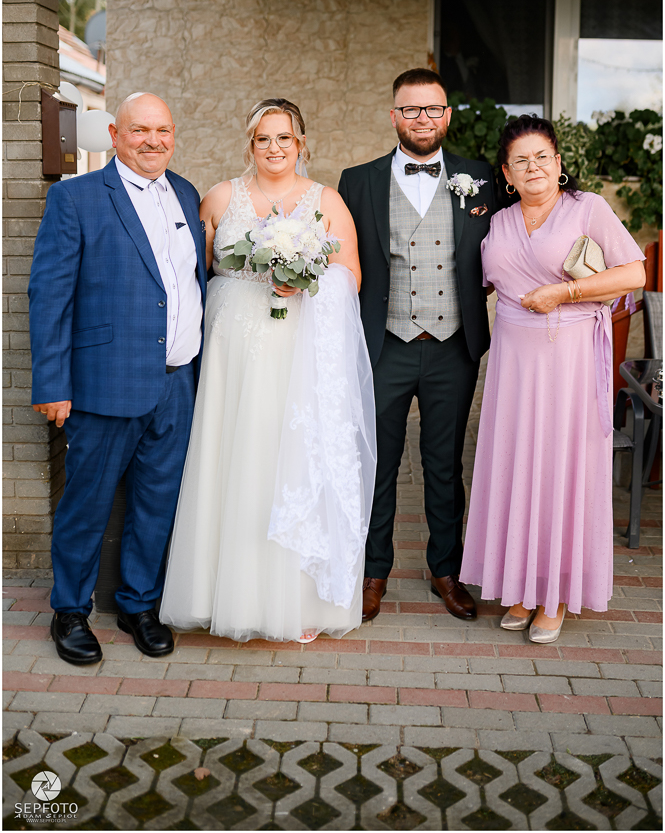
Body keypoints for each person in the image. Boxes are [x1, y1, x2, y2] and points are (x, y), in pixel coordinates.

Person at [160, 98, 375, 643]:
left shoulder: (326, 200)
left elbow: (351, 274)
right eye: (263, 139)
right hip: (232, 352)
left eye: (284, 138)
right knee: (232, 457)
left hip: (297, 350)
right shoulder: (219, 197)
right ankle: (221, 594)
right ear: (250, 144)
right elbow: (194, 270)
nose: (274, 148)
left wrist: (304, 278)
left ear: (300, 144)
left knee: (289, 460)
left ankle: (294, 600)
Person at [28, 93, 207, 665]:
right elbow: (49, 295)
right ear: (114, 134)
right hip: (104, 383)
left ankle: (139, 605)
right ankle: (70, 610)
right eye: (139, 130)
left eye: (163, 130)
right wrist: (52, 384)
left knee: (158, 501)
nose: (153, 141)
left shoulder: (186, 193)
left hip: (177, 382)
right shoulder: (75, 198)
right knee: (87, 502)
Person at [460, 114, 646, 642]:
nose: (533, 166)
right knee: (516, 464)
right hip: (514, 364)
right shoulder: (496, 222)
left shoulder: (587, 208)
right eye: (521, 160)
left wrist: (563, 292)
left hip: (569, 359)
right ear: (506, 173)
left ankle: (556, 593)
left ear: (559, 162)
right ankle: (519, 585)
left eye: (543, 156)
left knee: (561, 468)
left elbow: (634, 272)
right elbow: (482, 282)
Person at [338, 68, 496, 622]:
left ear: (447, 115)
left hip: (453, 345)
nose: (422, 118)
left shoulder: (482, 178)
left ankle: (445, 570)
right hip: (384, 344)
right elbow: (340, 257)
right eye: (411, 109)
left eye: (432, 109)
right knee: (375, 462)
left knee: (444, 464)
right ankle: (373, 571)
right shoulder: (357, 181)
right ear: (394, 116)